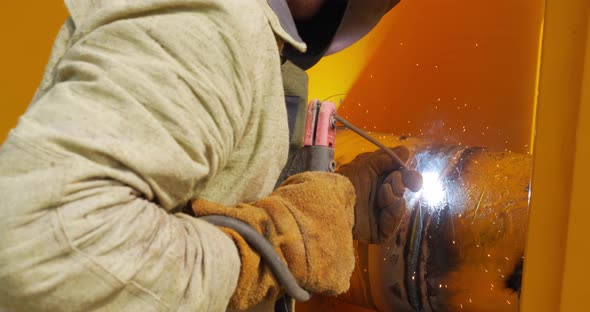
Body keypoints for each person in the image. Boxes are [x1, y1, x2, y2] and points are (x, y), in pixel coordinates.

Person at [0, 0, 420, 311]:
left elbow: (186, 198)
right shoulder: (218, 21)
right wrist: (285, 243)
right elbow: (46, 244)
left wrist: (334, 210)